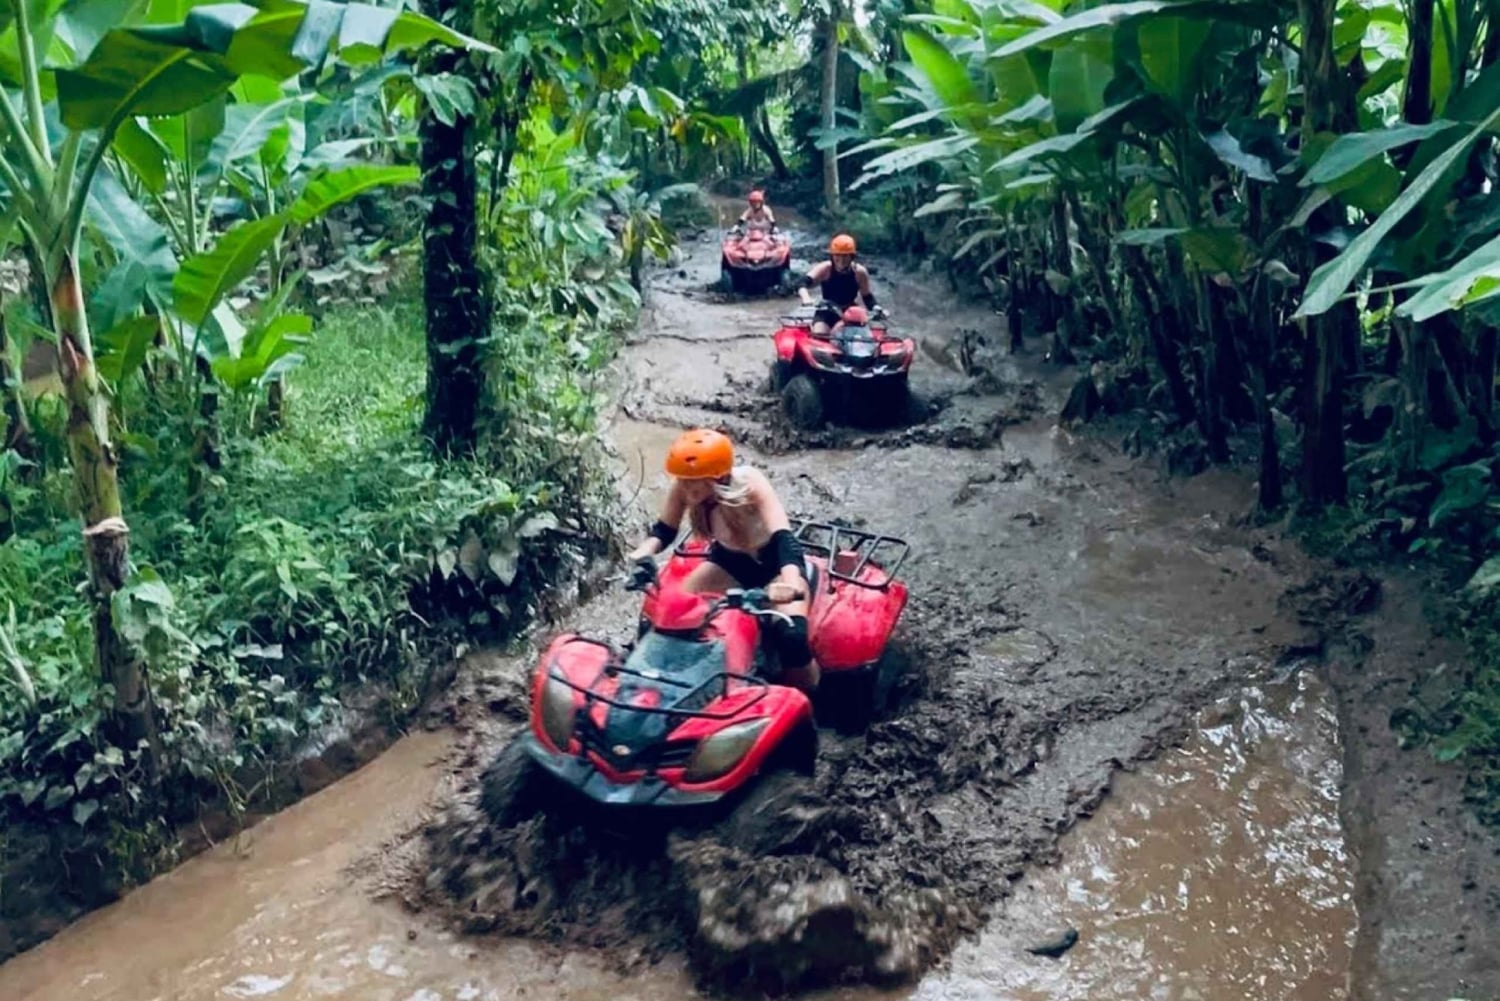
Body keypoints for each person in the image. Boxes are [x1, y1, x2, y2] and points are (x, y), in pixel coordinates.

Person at [627, 428, 818, 691]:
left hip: (773, 564)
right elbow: (664, 530)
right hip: (729, 562)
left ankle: (811, 692)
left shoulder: (750, 483)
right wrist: (641, 554)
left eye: (692, 480)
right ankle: (672, 682)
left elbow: (784, 539)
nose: (685, 486)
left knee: (792, 635)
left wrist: (791, 583)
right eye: (683, 479)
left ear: (716, 476)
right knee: (673, 614)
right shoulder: (683, 488)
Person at [798, 234, 880, 335]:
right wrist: (806, 299)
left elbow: (867, 296)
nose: (841, 259)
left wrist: (876, 308)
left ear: (852, 256)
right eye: (837, 255)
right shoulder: (825, 268)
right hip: (827, 311)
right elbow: (802, 283)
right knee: (820, 334)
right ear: (832, 256)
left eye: (845, 255)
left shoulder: (860, 272)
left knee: (862, 337)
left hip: (850, 311)